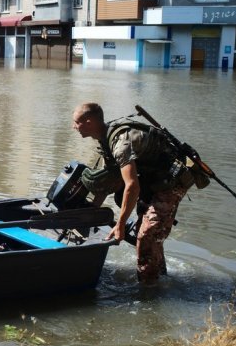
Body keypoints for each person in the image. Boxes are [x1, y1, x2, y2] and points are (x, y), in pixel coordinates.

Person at [72, 102, 194, 285]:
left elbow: (131, 186)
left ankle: (149, 291)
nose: (73, 127)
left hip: (171, 181)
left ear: (89, 122)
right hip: (152, 180)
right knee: (146, 232)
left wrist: (120, 225)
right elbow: (110, 179)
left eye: (76, 122)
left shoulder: (121, 143)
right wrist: (90, 214)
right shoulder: (106, 139)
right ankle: (160, 276)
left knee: (147, 233)